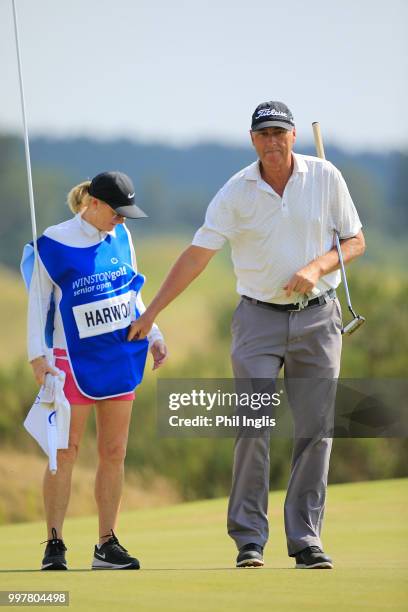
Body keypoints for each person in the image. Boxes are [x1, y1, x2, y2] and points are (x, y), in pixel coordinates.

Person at [127, 101, 366, 569]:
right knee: (253, 425)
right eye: (264, 134)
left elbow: (355, 240)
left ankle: (306, 539)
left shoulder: (325, 177)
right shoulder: (236, 191)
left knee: (316, 430)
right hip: (258, 318)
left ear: (294, 135)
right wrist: (152, 310)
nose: (272, 141)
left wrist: (317, 266)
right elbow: (197, 255)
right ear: (252, 139)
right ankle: (249, 539)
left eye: (280, 132)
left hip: (319, 315)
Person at [24, 171, 167, 571]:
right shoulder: (52, 243)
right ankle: (54, 542)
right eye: (117, 213)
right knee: (64, 453)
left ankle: (107, 544)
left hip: (119, 355)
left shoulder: (120, 237)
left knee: (114, 451)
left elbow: (130, 292)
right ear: (95, 204)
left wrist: (153, 332)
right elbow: (37, 306)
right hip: (70, 362)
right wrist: (38, 356)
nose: (121, 221)